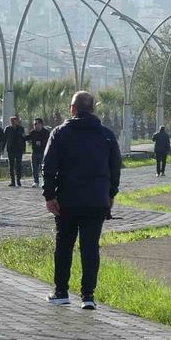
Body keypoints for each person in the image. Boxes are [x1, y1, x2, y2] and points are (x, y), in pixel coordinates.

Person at [43, 91, 122, 310]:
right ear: (93, 109)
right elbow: (115, 168)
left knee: (64, 246)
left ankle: (61, 292)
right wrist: (111, 194)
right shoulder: (106, 135)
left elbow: (48, 166)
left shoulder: (60, 133)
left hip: (67, 200)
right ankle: (88, 296)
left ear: (72, 108)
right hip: (97, 200)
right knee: (90, 247)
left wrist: (49, 195)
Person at [26, 118, 51, 188]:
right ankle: (36, 182)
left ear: (40, 124)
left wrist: (42, 143)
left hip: (43, 153)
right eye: (34, 124)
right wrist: (23, 136)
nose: (35, 125)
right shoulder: (33, 132)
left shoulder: (46, 132)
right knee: (34, 168)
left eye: (36, 124)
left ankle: (44, 182)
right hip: (34, 153)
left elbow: (49, 142)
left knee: (44, 169)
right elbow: (28, 138)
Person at [3, 116, 27, 187]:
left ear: (17, 121)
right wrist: (2, 149)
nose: (13, 122)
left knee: (19, 165)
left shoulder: (21, 128)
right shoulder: (7, 129)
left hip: (19, 149)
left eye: (14, 120)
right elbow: (4, 139)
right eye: (11, 121)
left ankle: (18, 180)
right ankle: (12, 181)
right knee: (11, 166)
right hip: (11, 149)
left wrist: (24, 149)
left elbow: (23, 139)